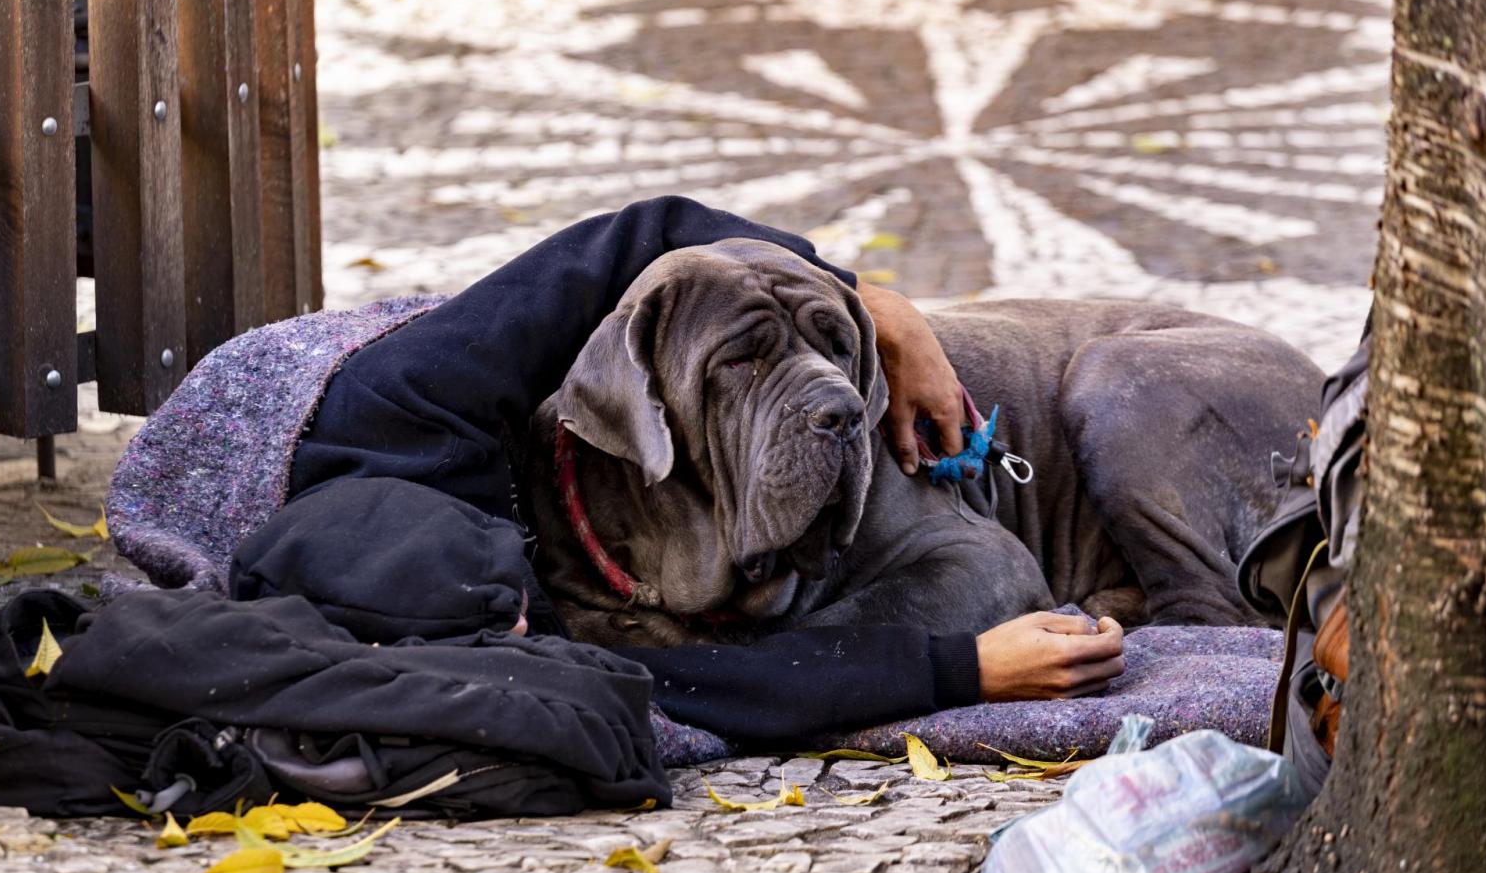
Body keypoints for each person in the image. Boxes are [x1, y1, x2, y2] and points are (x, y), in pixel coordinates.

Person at [258, 197, 1124, 743]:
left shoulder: (415, 392)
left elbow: (648, 230)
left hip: (1121, 355)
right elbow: (706, 687)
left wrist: (870, 307)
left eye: (511, 617)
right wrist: (960, 670)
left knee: (1128, 386)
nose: (527, 634)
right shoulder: (527, 629)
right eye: (511, 634)